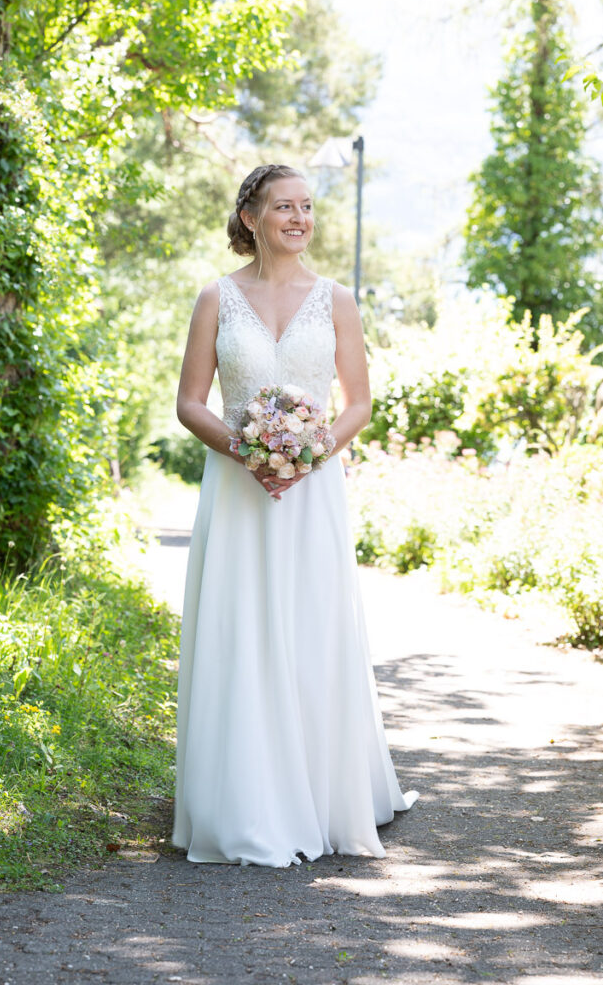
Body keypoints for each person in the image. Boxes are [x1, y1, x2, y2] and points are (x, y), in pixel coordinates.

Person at [172, 163, 417, 867]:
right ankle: (242, 801)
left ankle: (324, 790)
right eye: (284, 206)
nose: (299, 218)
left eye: (307, 207)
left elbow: (358, 403)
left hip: (311, 493)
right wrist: (247, 452)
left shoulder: (335, 299)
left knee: (311, 626)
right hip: (237, 490)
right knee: (241, 628)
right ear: (249, 217)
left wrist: (306, 456)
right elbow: (190, 403)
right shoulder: (214, 298)